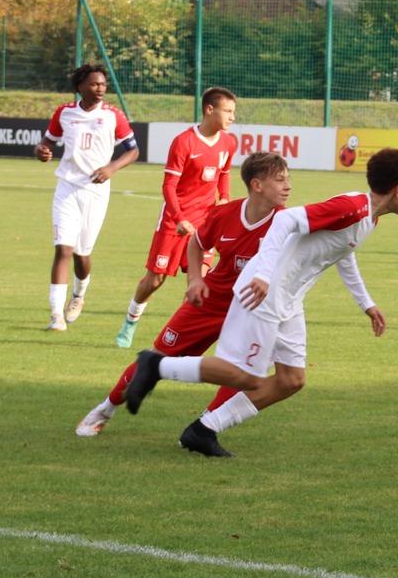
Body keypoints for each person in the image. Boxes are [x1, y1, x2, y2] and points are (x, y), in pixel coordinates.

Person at [121, 148, 398, 457]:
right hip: (265, 291)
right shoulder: (353, 206)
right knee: (245, 375)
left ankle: (203, 430)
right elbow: (287, 220)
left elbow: (344, 253)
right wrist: (264, 274)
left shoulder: (368, 218)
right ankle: (156, 365)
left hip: (289, 300)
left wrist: (366, 304)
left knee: (291, 380)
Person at [77, 152, 291, 441]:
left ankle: (204, 425)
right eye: (280, 180)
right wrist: (195, 280)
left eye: (288, 179)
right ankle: (103, 410)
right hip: (210, 301)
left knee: (245, 369)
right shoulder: (224, 214)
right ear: (257, 185)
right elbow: (196, 244)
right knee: (157, 356)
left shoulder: (288, 222)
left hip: (251, 309)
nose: (288, 186)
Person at [116, 87, 239, 348]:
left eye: (233, 112)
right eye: (227, 111)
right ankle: (130, 321)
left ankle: (177, 339)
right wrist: (180, 218)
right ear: (209, 109)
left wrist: (225, 198)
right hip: (175, 221)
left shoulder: (229, 142)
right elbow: (169, 186)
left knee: (199, 282)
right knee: (154, 280)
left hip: (206, 223)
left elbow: (224, 173)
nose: (232, 117)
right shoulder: (184, 142)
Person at [37, 65, 137, 330]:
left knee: (82, 254)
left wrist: (111, 167)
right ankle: (56, 315)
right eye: (94, 84)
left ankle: (79, 295)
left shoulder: (114, 115)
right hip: (67, 188)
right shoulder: (65, 112)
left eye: (103, 84)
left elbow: (133, 151)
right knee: (63, 249)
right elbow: (47, 143)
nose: (101, 88)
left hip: (95, 191)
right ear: (80, 86)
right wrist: (42, 151)